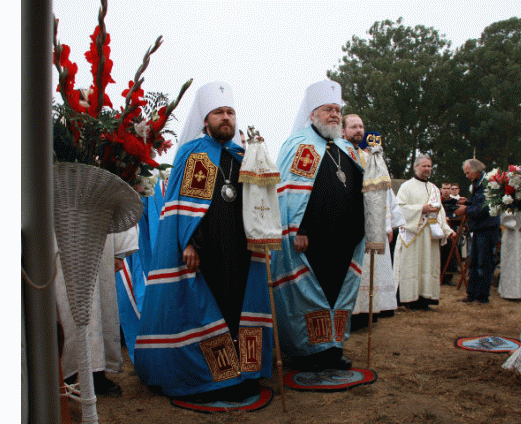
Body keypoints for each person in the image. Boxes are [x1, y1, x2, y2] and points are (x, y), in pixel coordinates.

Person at [132, 81, 273, 402]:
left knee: (240, 309)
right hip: (206, 251)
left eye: (230, 112)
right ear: (205, 119)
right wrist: (190, 244)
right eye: (219, 113)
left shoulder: (242, 156)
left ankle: (246, 371)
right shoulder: (193, 154)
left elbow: (259, 201)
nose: (226, 118)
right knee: (213, 309)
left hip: (241, 248)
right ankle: (219, 376)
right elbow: (184, 206)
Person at [271, 80, 365, 371]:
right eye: (328, 110)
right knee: (312, 294)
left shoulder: (347, 150)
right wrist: (299, 229)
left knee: (339, 292)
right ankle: (309, 352)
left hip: (344, 238)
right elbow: (291, 196)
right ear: (313, 114)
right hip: (312, 239)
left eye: (337, 110)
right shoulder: (298, 145)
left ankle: (334, 348)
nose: (334, 115)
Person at [56, 228, 138, 395]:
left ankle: (97, 374)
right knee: (64, 307)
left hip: (97, 241)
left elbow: (118, 201)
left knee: (99, 310)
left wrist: (118, 252)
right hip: (60, 240)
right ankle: (64, 377)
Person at [346, 120, 405, 328]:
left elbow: (386, 198)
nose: (372, 153)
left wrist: (388, 226)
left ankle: (372, 310)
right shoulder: (352, 159)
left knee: (375, 272)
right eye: (370, 148)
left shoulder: (379, 165)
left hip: (376, 227)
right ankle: (355, 313)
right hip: (357, 224)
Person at [393, 155, 456, 310]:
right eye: (424, 166)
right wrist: (421, 208)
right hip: (412, 234)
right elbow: (400, 208)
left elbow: (440, 213)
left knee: (428, 266)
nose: (427, 169)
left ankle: (425, 298)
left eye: (429, 166)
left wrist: (448, 231)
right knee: (411, 266)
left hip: (430, 236)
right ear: (415, 167)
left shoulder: (434, 188)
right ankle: (409, 299)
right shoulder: (406, 187)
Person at [454, 158, 500, 304]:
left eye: (468, 173)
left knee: (483, 264)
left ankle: (482, 296)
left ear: (476, 170)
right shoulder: (477, 184)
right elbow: (479, 203)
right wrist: (468, 202)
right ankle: (471, 294)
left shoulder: (489, 184)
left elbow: (485, 208)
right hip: (479, 229)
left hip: (487, 229)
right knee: (473, 263)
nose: (467, 176)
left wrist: (467, 209)